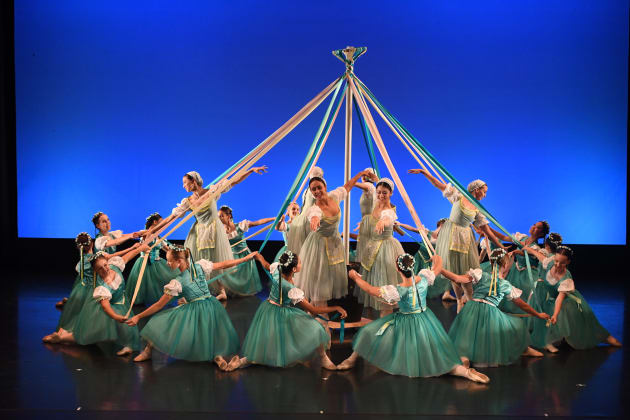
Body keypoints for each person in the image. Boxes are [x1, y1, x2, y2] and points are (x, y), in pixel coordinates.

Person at [339, 254, 488, 383]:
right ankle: (465, 372)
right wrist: (437, 258)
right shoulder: (424, 278)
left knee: (370, 332)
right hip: (425, 320)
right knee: (435, 355)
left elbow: (370, 289)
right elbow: (438, 266)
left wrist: (354, 277)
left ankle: (352, 359)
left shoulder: (399, 289)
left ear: (398, 269)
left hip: (407, 321)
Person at [126, 246, 258, 368]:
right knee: (202, 329)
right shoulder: (196, 269)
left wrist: (138, 316)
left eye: (169, 261)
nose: (167, 264)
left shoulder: (181, 279)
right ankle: (216, 356)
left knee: (159, 323)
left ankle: (216, 356)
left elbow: (159, 305)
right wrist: (245, 259)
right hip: (210, 305)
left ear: (179, 261)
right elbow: (222, 265)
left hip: (199, 308)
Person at [149, 168, 267, 301]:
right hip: (198, 233)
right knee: (196, 262)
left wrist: (250, 170)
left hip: (215, 231)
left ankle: (222, 291)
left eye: (185, 183)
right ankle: (195, 291)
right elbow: (171, 217)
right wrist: (152, 230)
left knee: (215, 261)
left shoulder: (212, 191)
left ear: (194, 182)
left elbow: (234, 182)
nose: (183, 186)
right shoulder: (187, 201)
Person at [408, 169, 506, 312]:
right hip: (450, 234)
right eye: (484, 192)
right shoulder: (458, 196)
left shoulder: (478, 209)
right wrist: (424, 172)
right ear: (476, 189)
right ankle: (460, 300)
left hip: (465, 239)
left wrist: (499, 245)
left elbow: (487, 230)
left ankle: (469, 300)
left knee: (465, 272)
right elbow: (438, 185)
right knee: (453, 270)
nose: (484, 196)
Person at [230, 251, 347, 370]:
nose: (302, 264)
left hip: (269, 309)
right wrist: (336, 308)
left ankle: (243, 361)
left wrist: (259, 257)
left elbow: (266, 265)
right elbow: (313, 310)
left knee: (267, 340)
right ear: (294, 269)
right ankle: (323, 358)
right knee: (316, 328)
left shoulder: (277, 270)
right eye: (300, 263)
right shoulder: (289, 288)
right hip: (281, 312)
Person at [444, 248, 549, 367]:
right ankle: (523, 349)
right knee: (515, 327)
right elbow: (522, 304)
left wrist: (441, 269)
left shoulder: (480, 274)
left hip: (471, 309)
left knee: (469, 334)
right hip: (489, 312)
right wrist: (538, 314)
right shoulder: (504, 284)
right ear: (505, 264)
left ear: (491, 262)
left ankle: (465, 359)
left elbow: (457, 279)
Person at [54, 242, 150, 355]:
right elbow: (105, 306)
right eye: (100, 269)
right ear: (96, 271)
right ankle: (62, 338)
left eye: (105, 265)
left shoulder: (115, 266)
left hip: (120, 302)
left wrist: (140, 248)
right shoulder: (102, 288)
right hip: (108, 308)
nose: (105, 269)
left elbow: (128, 256)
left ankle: (127, 345)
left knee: (126, 328)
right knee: (93, 334)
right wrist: (115, 316)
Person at [524, 245, 622, 352]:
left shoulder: (566, 280)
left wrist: (555, 315)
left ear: (568, 262)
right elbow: (539, 255)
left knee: (580, 321)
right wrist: (528, 249)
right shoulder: (550, 262)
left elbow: (559, 299)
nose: (557, 264)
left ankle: (605, 338)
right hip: (550, 297)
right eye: (556, 261)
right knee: (543, 309)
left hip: (566, 301)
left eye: (562, 263)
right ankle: (547, 341)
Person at [296, 169, 372, 306]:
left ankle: (318, 309)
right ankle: (319, 313)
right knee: (319, 279)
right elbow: (314, 215)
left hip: (334, 243)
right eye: (313, 190)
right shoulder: (314, 209)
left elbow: (347, 186)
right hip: (319, 246)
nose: (317, 191)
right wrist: (314, 220)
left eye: (319, 187)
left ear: (325, 186)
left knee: (330, 277)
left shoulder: (334, 196)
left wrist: (360, 174)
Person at [355, 178, 404, 318]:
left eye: (384, 193)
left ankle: (385, 318)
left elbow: (387, 218)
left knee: (385, 284)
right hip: (372, 248)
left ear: (391, 193)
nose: (381, 195)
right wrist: (364, 223)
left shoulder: (390, 211)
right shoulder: (376, 204)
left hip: (386, 249)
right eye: (379, 192)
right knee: (372, 283)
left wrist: (383, 222)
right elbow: (371, 216)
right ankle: (372, 319)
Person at [484, 221, 550, 314]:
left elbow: (525, 253)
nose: (533, 227)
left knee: (521, 297)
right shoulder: (522, 238)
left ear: (541, 233)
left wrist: (517, 252)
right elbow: (503, 237)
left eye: (537, 227)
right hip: (515, 270)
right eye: (534, 225)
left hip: (527, 274)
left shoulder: (536, 248)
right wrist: (487, 228)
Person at [43, 233, 95, 343]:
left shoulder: (83, 260)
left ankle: (62, 331)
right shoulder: (94, 259)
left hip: (79, 289)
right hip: (91, 290)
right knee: (84, 317)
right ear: (92, 244)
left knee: (74, 314)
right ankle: (65, 335)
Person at [218, 205, 274, 296]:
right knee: (226, 274)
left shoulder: (240, 226)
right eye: (218, 216)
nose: (219, 218)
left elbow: (258, 222)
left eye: (221, 216)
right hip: (232, 256)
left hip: (245, 255)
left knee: (245, 277)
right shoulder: (220, 231)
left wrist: (274, 218)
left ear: (229, 216)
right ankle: (225, 292)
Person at [125, 213, 179, 305]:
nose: (163, 225)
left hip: (157, 262)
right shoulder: (145, 233)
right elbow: (146, 238)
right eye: (161, 222)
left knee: (173, 275)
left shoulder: (158, 236)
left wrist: (177, 253)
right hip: (144, 262)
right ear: (155, 222)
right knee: (144, 284)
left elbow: (166, 248)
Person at [396, 217, 455, 301]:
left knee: (446, 273)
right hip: (421, 258)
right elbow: (412, 229)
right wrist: (400, 224)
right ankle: (411, 295)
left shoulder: (444, 238)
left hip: (431, 260)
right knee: (415, 278)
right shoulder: (427, 232)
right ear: (441, 224)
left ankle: (447, 293)